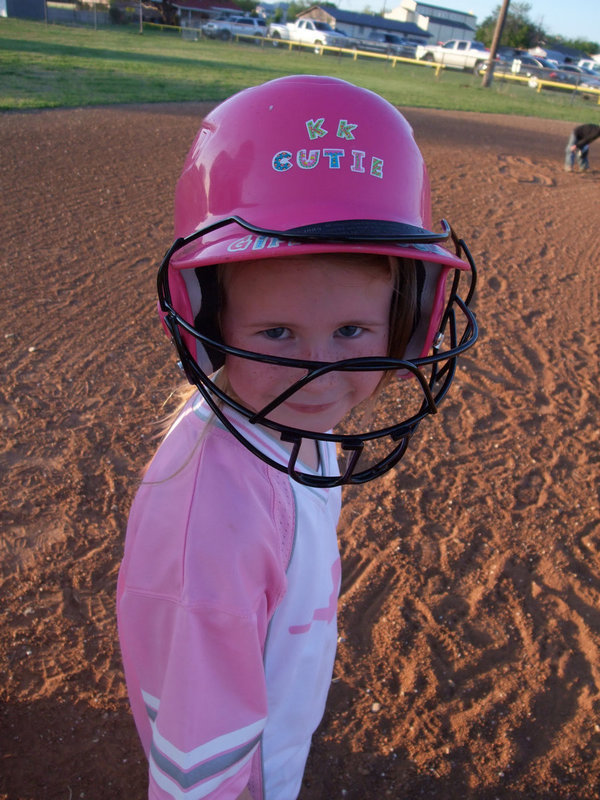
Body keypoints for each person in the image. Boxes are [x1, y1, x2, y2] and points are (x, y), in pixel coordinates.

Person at [116, 75, 478, 800]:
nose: (318, 375)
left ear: (406, 318)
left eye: (351, 331)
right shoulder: (217, 519)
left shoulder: (288, 428)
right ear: (210, 322)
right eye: (276, 333)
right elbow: (199, 772)